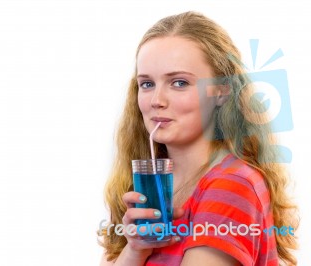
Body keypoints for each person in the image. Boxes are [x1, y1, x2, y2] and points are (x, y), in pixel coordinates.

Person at [98, 11, 298, 266]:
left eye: (179, 83)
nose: (156, 101)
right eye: (146, 84)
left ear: (221, 92)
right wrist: (135, 251)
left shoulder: (231, 186)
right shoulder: (145, 190)